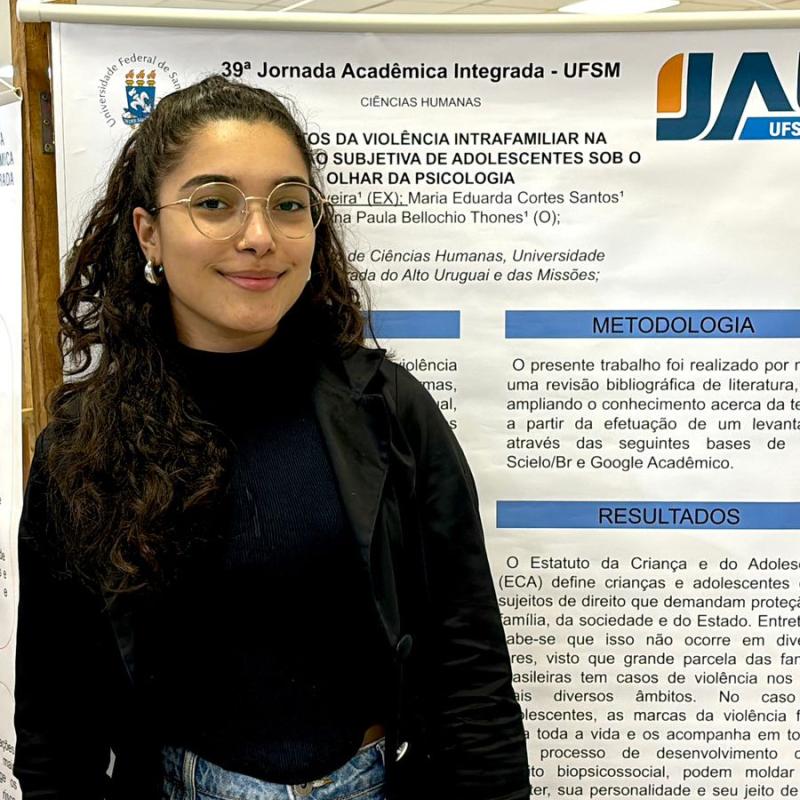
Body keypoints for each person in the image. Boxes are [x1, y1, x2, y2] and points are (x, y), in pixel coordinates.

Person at [14, 75, 530, 800]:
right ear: (148, 233)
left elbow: (469, 671)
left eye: (288, 204)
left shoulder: (388, 410)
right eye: (214, 203)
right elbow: (56, 728)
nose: (258, 237)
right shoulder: (83, 446)